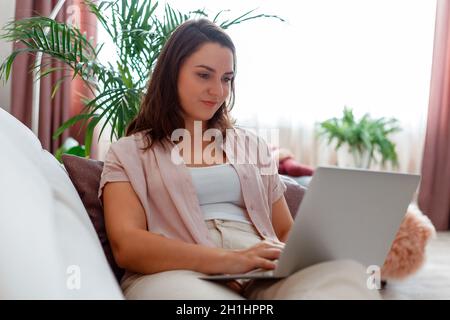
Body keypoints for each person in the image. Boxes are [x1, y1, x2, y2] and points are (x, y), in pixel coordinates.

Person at [98, 18, 381, 300]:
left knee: (348, 277)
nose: (219, 91)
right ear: (171, 75)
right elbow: (128, 245)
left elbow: (283, 229)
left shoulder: (251, 146)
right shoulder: (128, 152)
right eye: (204, 75)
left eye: (226, 79)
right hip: (177, 270)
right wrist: (227, 260)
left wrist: (308, 258)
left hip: (259, 265)